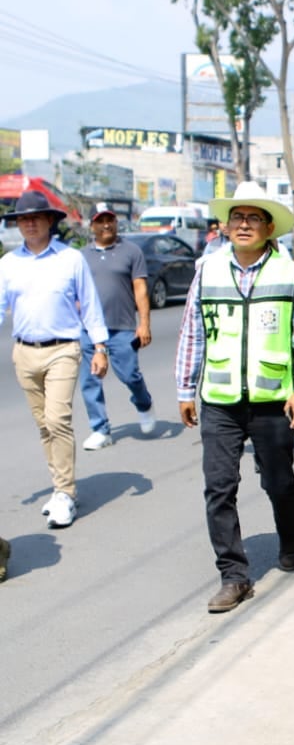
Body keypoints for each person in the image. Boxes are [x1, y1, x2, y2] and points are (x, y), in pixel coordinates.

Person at [175, 181, 294, 614]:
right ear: (225, 225)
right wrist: (186, 387)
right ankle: (234, 576)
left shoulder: (290, 270)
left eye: (253, 217)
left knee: (279, 481)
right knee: (219, 487)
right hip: (219, 398)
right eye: (237, 217)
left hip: (272, 398)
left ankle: (290, 539)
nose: (243, 224)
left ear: (268, 227)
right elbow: (193, 331)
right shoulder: (208, 269)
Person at [0, 190, 110, 529]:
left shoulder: (70, 259)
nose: (29, 223)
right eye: (22, 219)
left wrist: (101, 346)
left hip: (63, 349)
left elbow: (89, 304)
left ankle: (65, 492)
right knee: (44, 425)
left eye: (35, 217)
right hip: (24, 351)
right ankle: (59, 487)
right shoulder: (8, 263)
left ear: (50, 221)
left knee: (57, 418)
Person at [78, 207, 157, 450]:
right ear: (91, 226)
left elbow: (140, 290)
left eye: (109, 220)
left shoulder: (131, 252)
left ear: (116, 222)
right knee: (90, 379)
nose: (105, 225)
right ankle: (100, 429)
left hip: (122, 326)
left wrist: (144, 323)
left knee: (129, 374)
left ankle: (144, 404)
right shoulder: (80, 256)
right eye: (99, 221)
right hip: (89, 329)